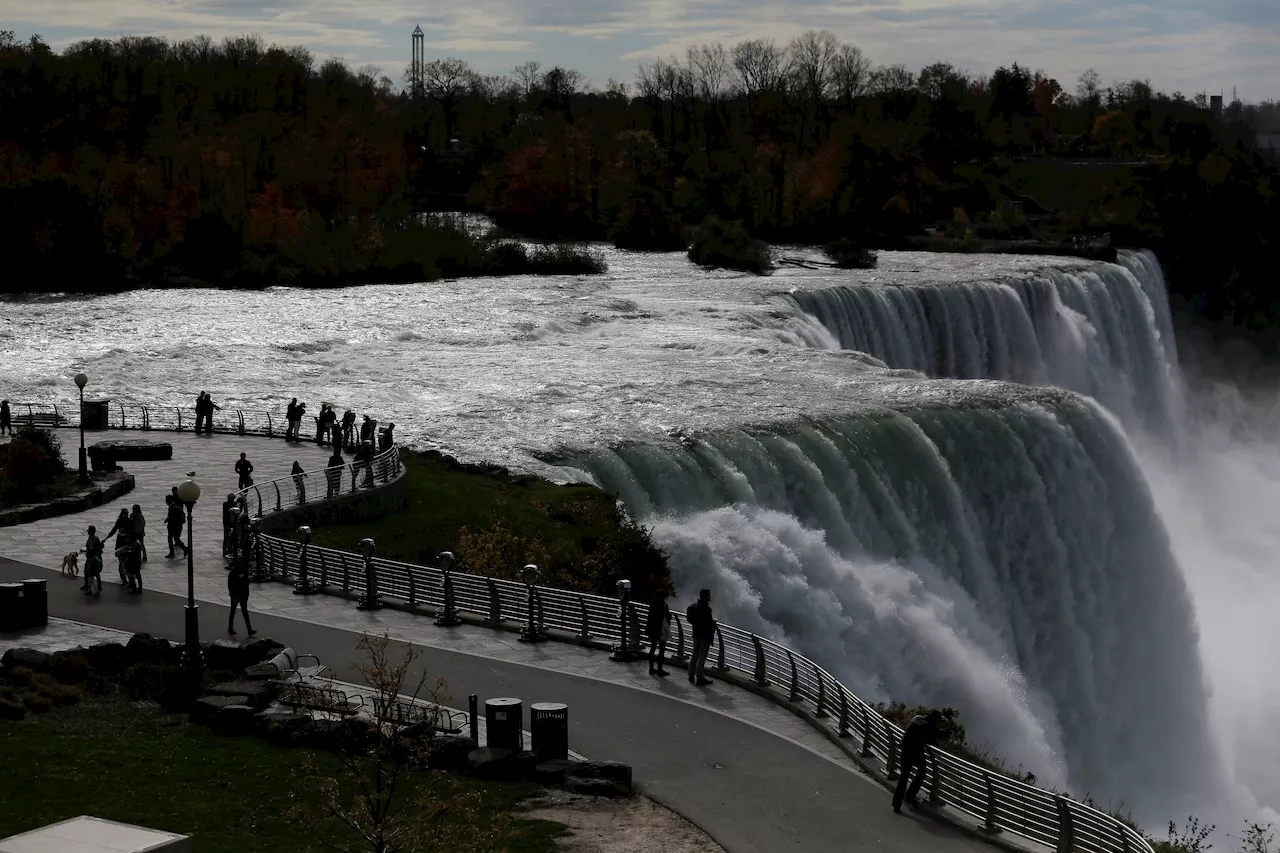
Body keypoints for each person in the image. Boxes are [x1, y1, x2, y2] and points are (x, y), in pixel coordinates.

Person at [892, 710, 944, 814]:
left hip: (905, 749)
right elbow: (932, 741)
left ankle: (896, 804)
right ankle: (909, 796)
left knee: (904, 777)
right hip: (916, 752)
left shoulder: (917, 718)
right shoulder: (930, 726)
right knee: (922, 772)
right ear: (935, 720)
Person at [686, 588, 715, 685]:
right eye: (709, 595)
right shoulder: (706, 609)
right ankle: (700, 677)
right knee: (702, 658)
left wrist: (697, 625)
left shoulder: (692, 607)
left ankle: (690, 675)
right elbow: (709, 624)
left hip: (696, 635)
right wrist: (710, 635)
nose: (710, 596)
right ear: (706, 596)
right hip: (704, 636)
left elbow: (689, 619)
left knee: (694, 656)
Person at [226, 554, 256, 635]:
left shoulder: (235, 572)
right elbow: (231, 585)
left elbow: (245, 585)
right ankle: (247, 629)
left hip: (241, 595)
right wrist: (233, 595)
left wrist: (246, 595)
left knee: (237, 612)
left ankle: (246, 629)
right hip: (237, 595)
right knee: (239, 612)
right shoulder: (235, 572)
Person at [646, 589, 672, 676]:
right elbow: (666, 617)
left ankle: (651, 668)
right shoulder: (664, 605)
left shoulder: (652, 603)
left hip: (652, 630)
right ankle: (660, 669)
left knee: (652, 648)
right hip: (661, 630)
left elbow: (650, 618)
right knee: (661, 650)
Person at [81, 525, 103, 596]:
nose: (88, 532)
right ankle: (88, 585)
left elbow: (92, 549)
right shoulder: (91, 538)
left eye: (89, 531)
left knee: (93, 573)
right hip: (91, 557)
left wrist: (87, 551)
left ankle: (94, 588)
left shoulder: (94, 539)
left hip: (93, 558)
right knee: (88, 572)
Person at [222, 492, 238, 557]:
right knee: (228, 537)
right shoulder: (233, 505)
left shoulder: (225, 504)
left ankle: (226, 551)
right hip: (229, 523)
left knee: (227, 537)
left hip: (227, 523)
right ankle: (227, 551)